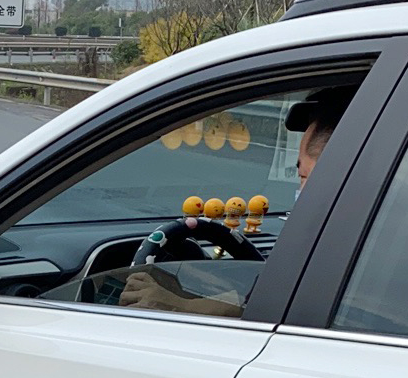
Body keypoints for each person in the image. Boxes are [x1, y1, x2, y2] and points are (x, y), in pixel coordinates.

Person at [119, 86, 355, 314]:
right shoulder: (361, 249)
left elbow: (267, 308)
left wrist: (172, 303)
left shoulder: (332, 253)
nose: (300, 189)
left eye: (302, 175)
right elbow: (251, 301)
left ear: (336, 173)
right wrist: (185, 297)